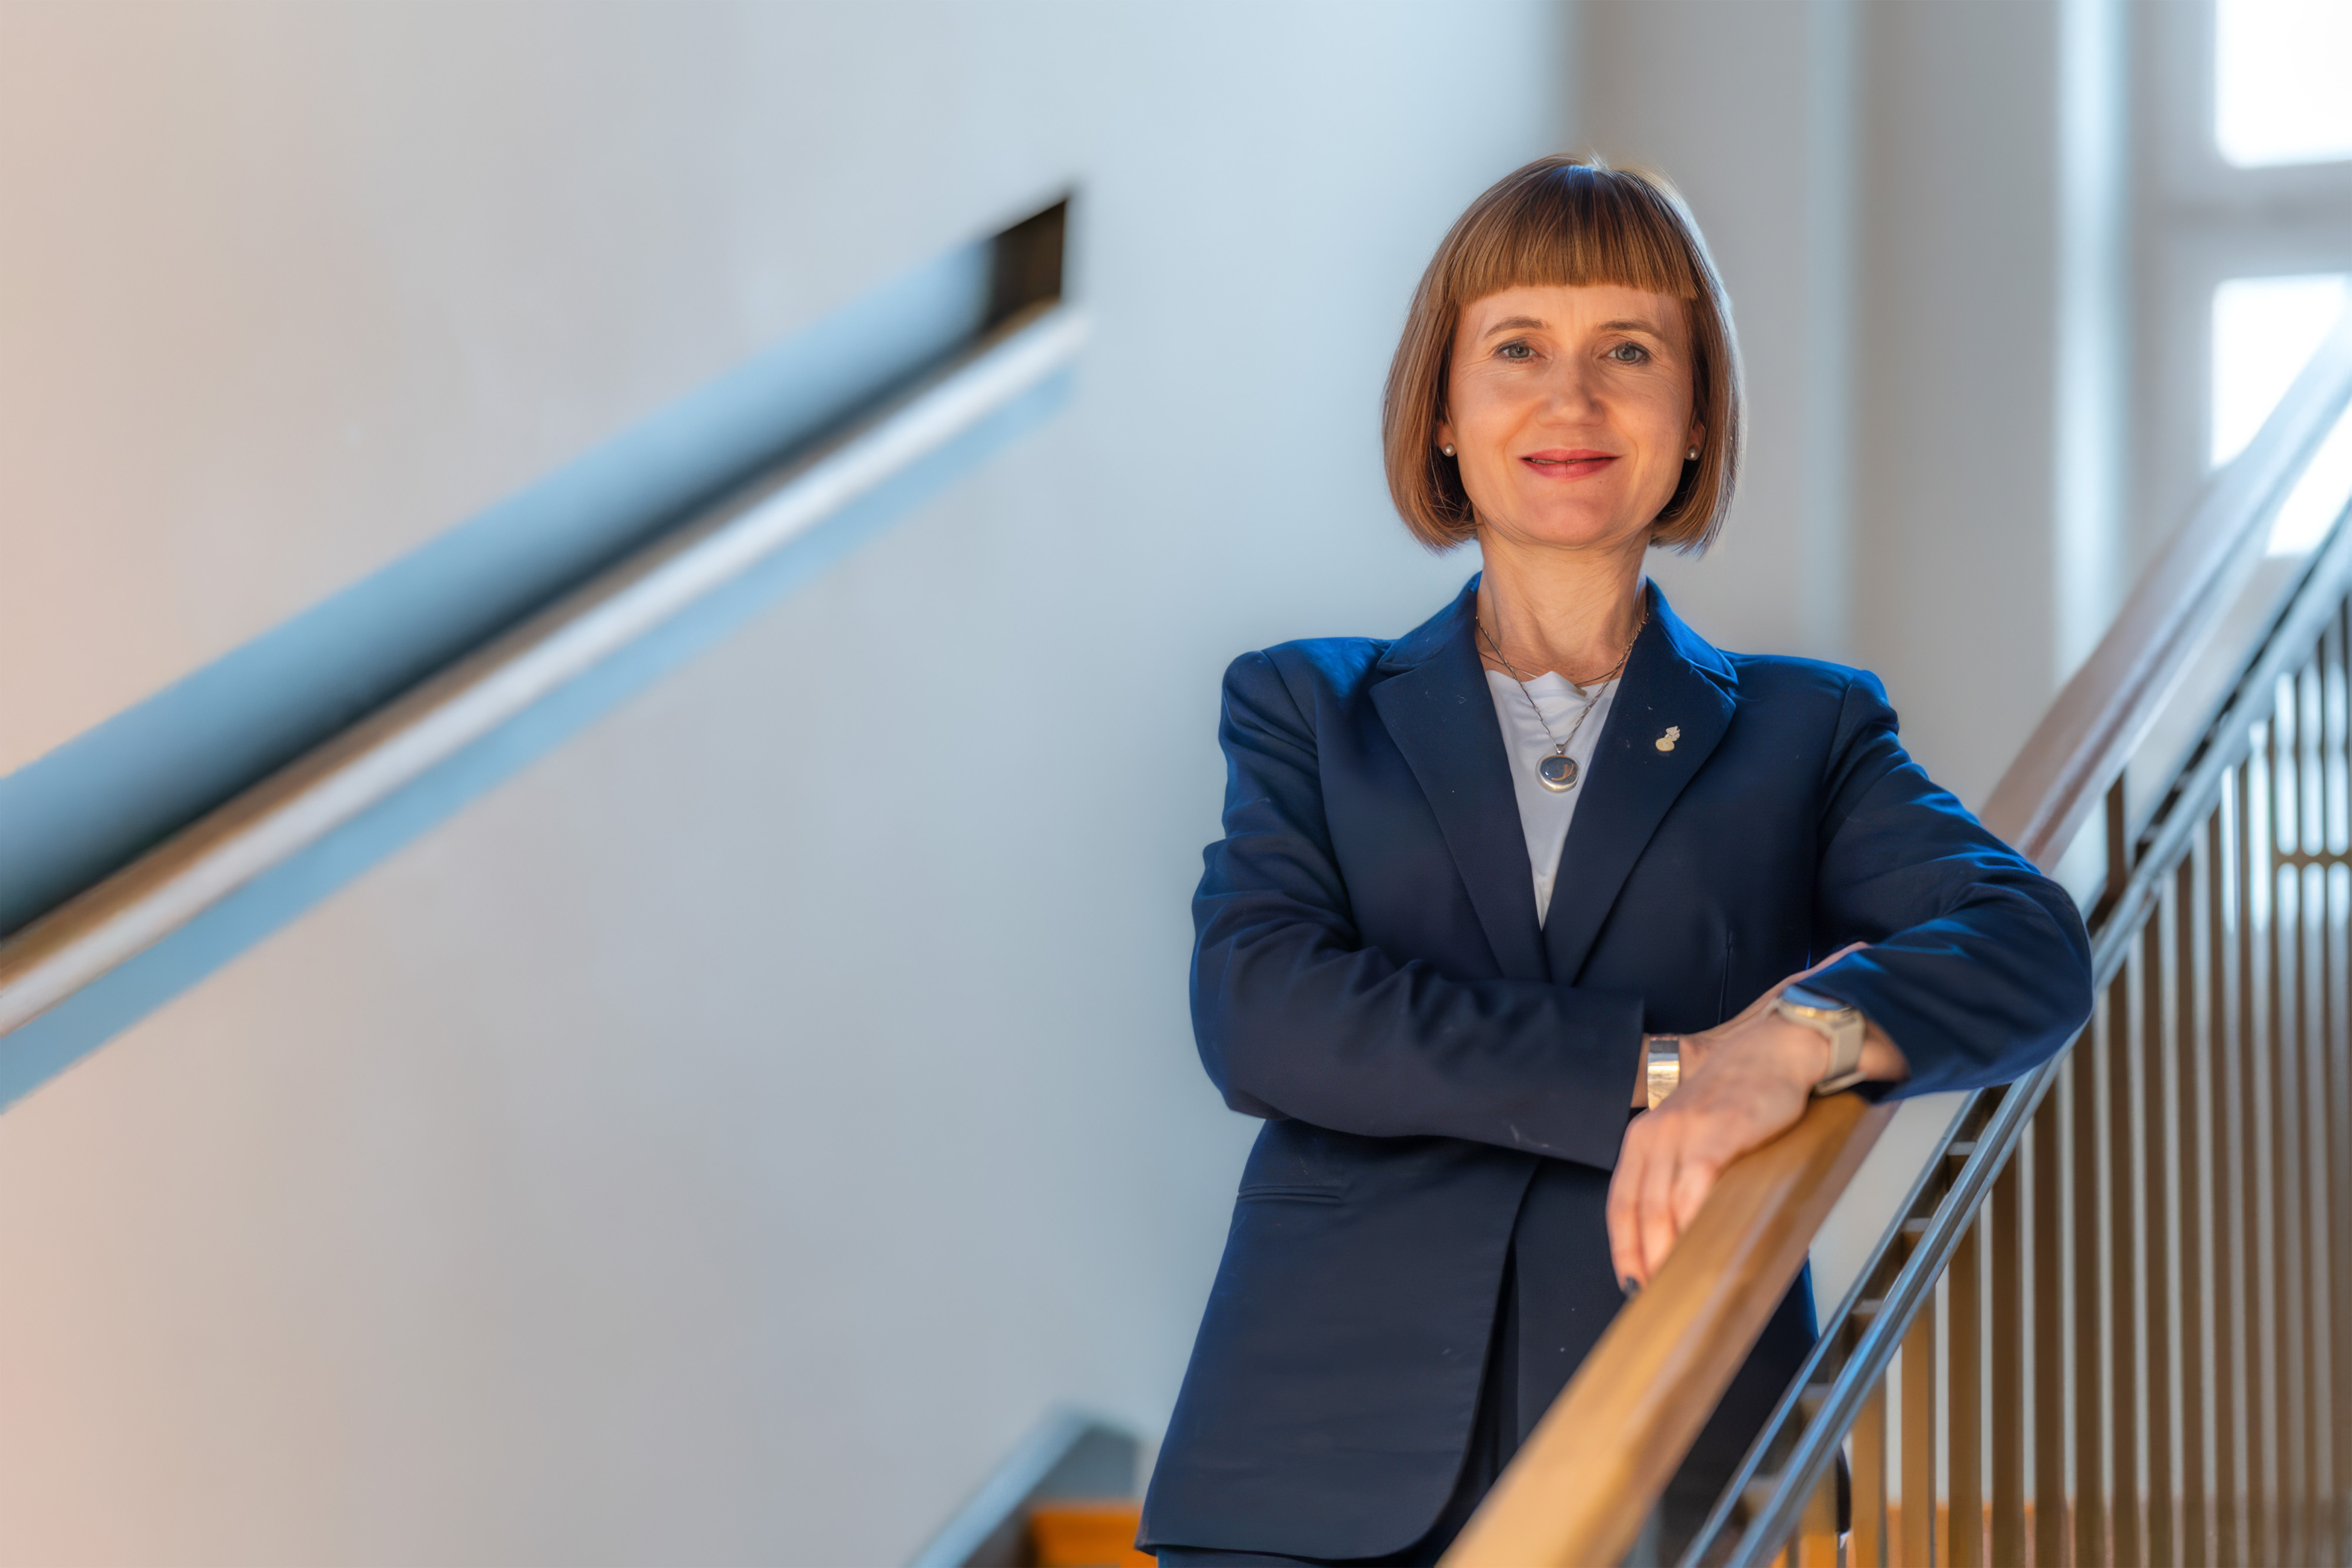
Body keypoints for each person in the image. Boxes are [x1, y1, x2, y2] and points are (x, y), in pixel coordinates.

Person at [1137, 157, 2094, 1566]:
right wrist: (1659, 1071)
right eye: (1515, 347)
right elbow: (1265, 1015)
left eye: (1628, 351)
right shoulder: (1302, 705)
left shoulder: (1802, 728)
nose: (1570, 399)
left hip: (1677, 1449)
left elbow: (2024, 940)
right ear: (1444, 413)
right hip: (1307, 1465)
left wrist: (1793, 1039)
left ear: (1693, 414)